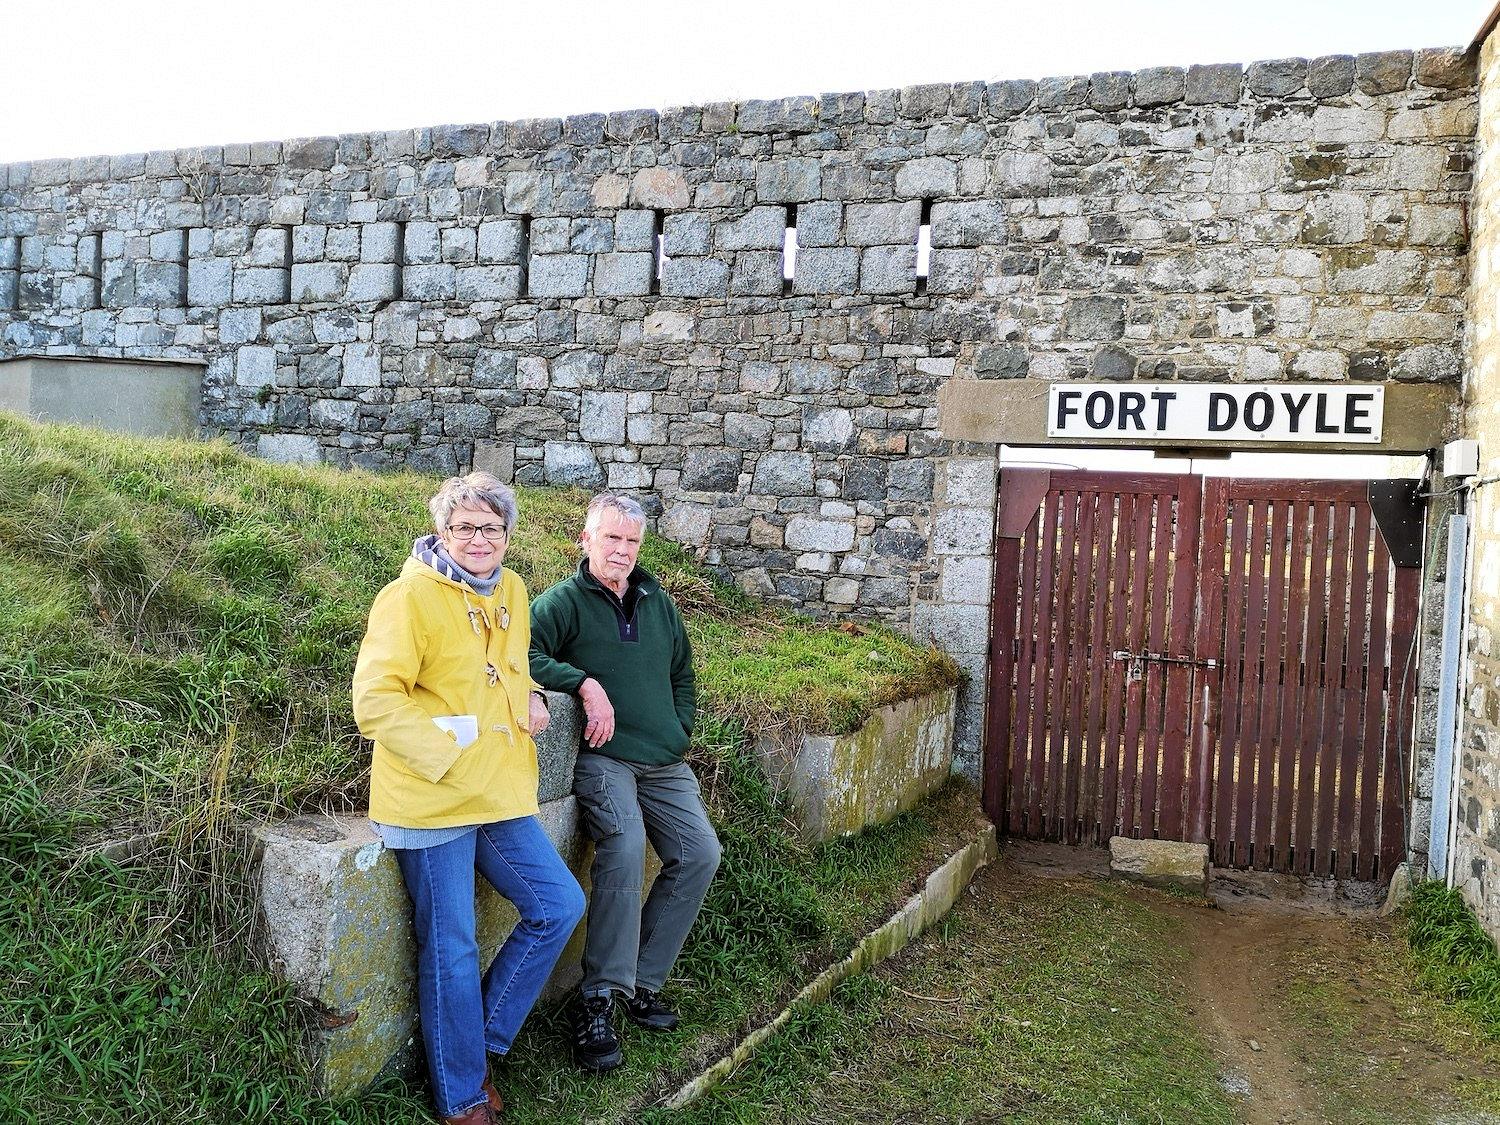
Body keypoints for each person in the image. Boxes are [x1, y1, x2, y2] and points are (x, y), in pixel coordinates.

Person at [353, 472, 586, 1125]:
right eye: (464, 526)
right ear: (442, 531)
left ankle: (473, 1040)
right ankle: (460, 1094)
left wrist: (533, 693)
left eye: (490, 526)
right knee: (451, 945)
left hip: (494, 789)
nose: (478, 538)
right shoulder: (407, 598)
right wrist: (444, 753)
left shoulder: (511, 589)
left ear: (507, 535)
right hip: (429, 798)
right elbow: (374, 702)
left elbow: (507, 665)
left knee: (559, 903)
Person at [529, 493, 722, 1073]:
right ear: (586, 539)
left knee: (700, 854)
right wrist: (583, 684)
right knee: (625, 847)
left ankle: (642, 979)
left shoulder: (658, 602)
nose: (621, 551)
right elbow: (522, 654)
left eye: (632, 542)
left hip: (663, 758)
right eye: (611, 538)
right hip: (604, 756)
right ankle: (597, 998)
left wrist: (679, 726)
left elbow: (682, 672)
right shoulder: (561, 603)